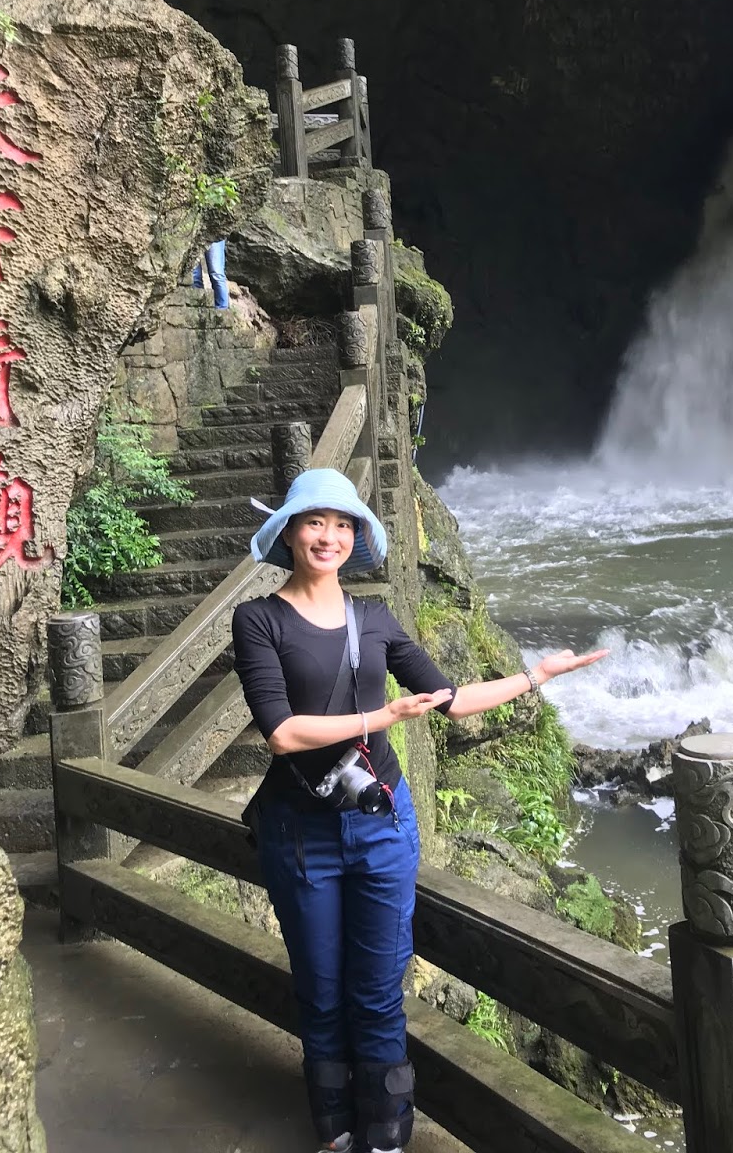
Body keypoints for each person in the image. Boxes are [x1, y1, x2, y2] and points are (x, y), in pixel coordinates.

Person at [232, 468, 606, 1153]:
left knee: (378, 991)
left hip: (382, 824)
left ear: (356, 539)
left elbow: (450, 700)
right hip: (301, 832)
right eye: (315, 521)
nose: (329, 535)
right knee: (321, 990)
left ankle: (386, 1135)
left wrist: (536, 676)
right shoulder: (259, 620)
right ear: (289, 533)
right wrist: (380, 716)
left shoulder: (374, 618)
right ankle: (335, 1128)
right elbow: (281, 732)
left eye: (343, 524)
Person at [192, 238, 230, 309]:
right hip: (190, 235)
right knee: (195, 276)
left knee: (217, 274)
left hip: (215, 235)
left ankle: (222, 311)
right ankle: (196, 309)